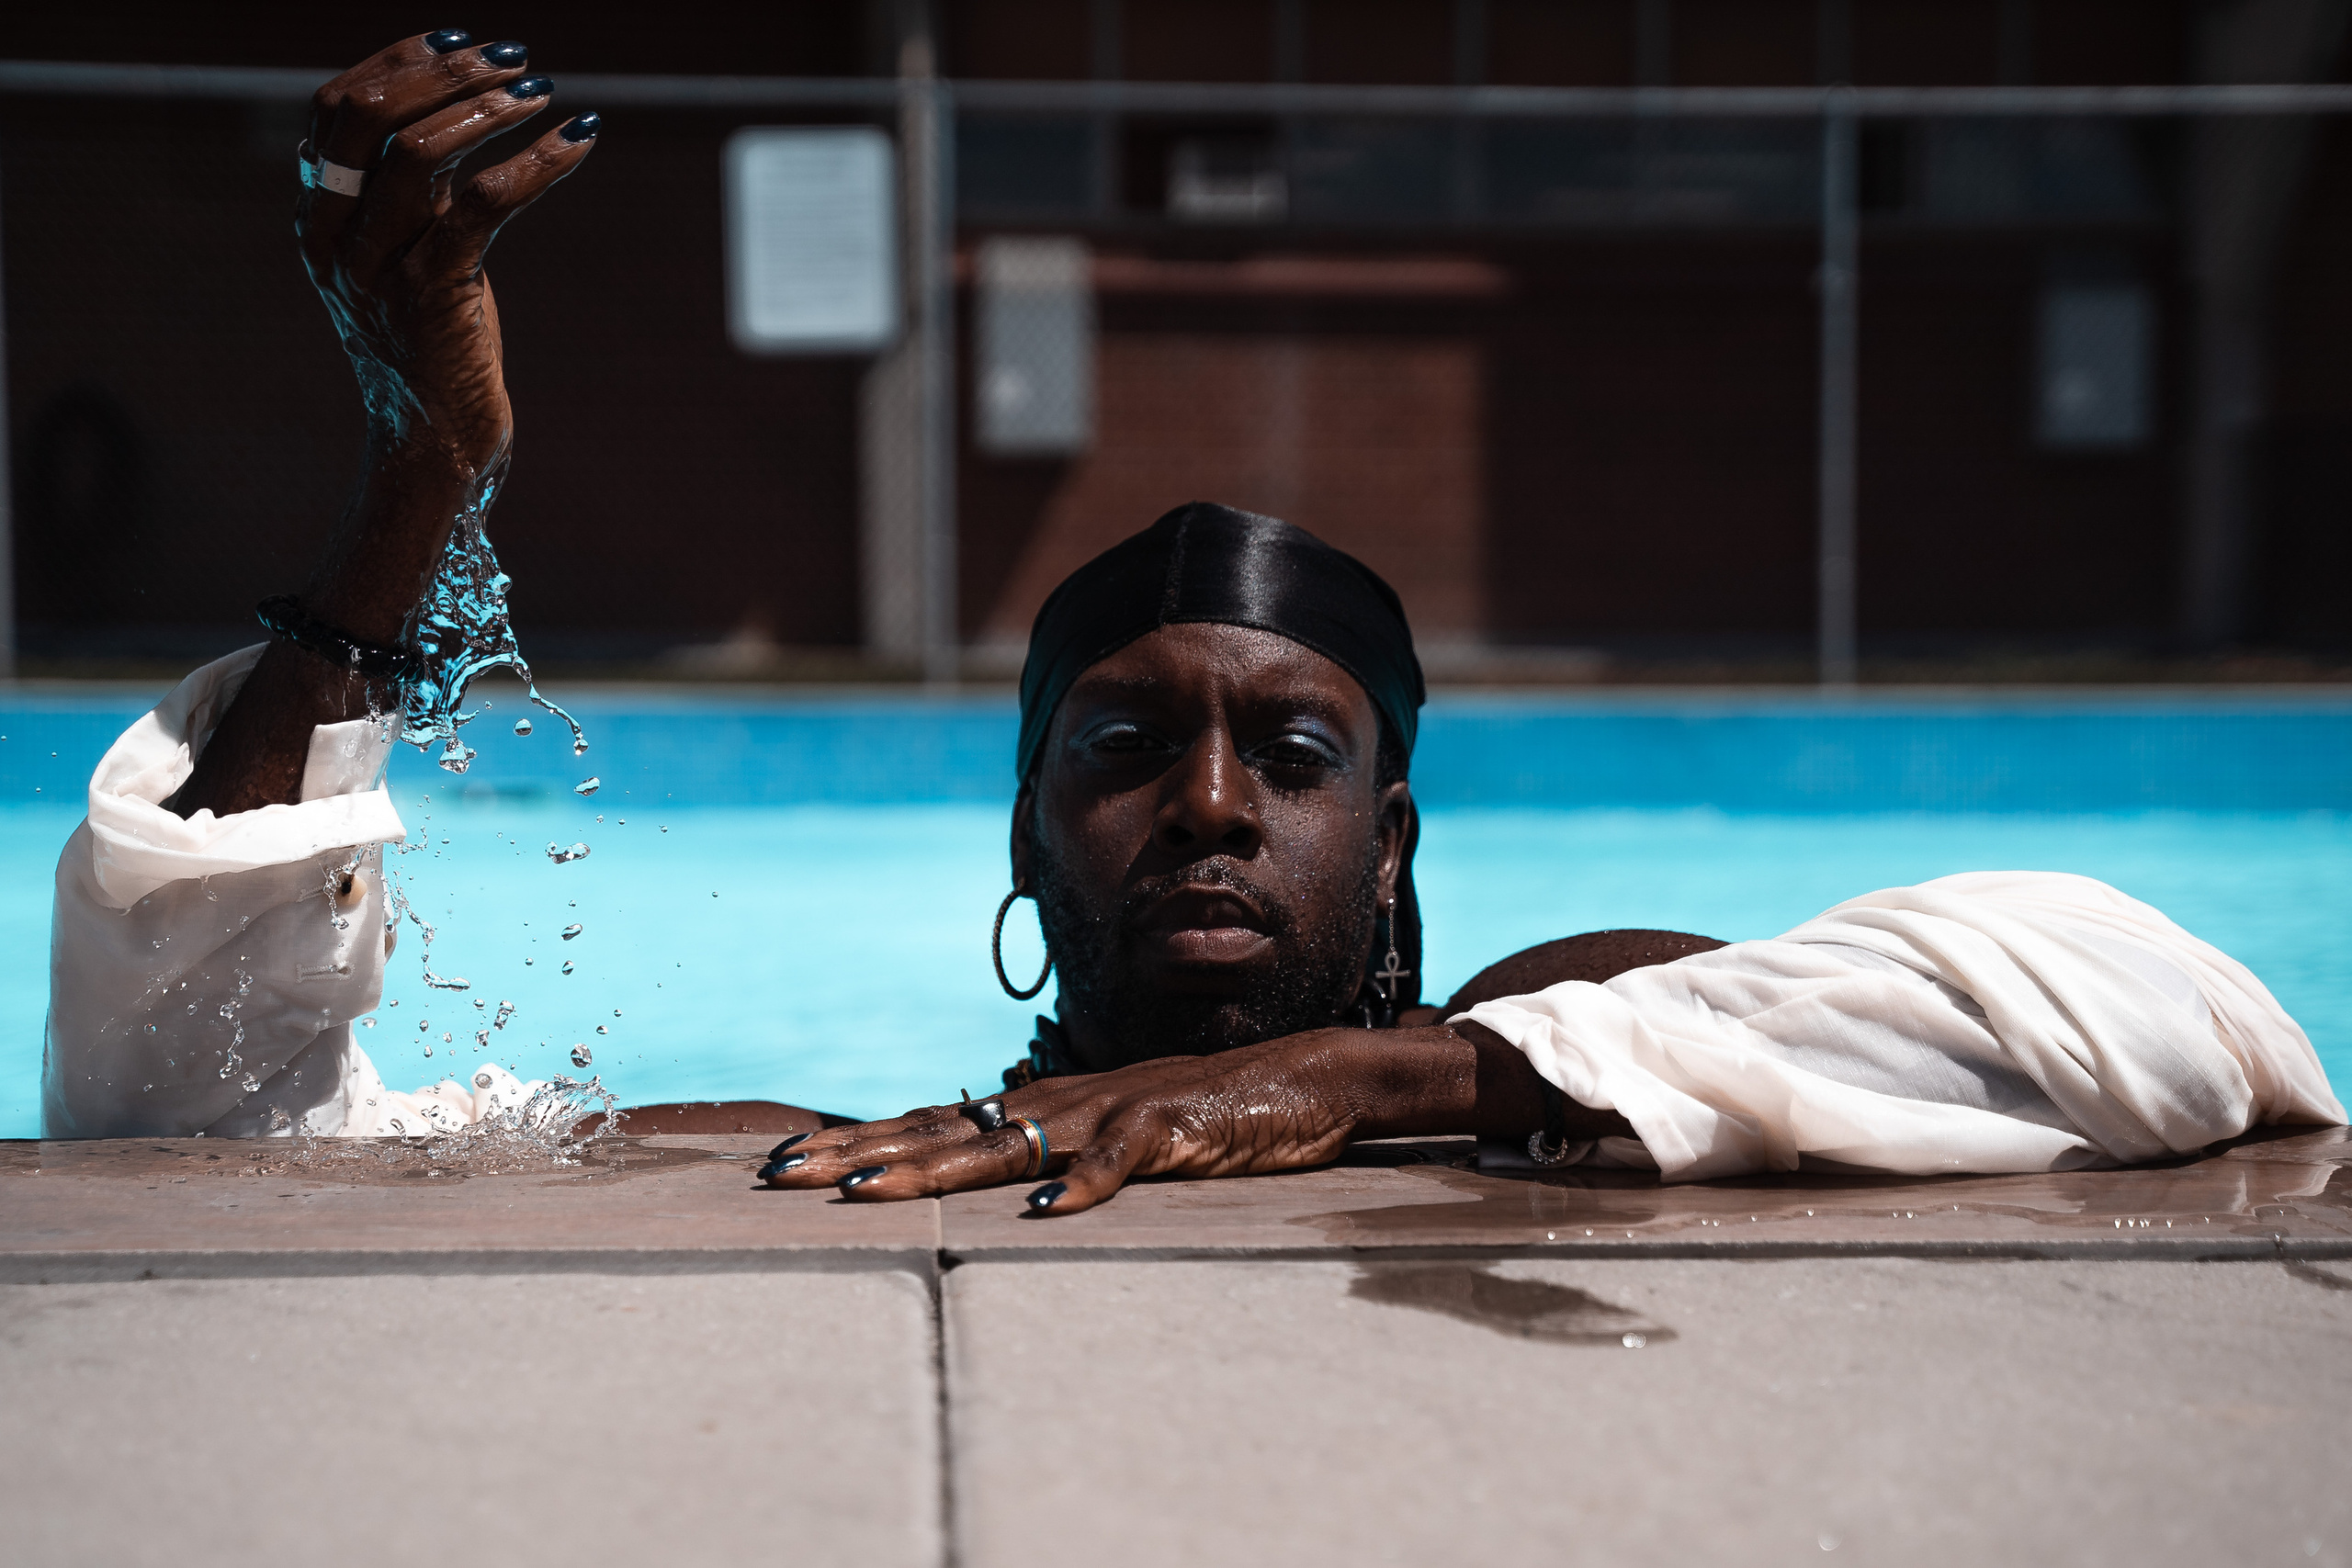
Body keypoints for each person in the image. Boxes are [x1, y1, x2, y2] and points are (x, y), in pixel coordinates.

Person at [42, 35, 2344, 1213]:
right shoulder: (819, 1131)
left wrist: (1351, 1080)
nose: (1216, 804)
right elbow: (197, 1131)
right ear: (1028, 834)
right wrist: (417, 497)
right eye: (1122, 748)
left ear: (1395, 815)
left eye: (1295, 751)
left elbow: (2165, 1012)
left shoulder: (1557, 1044)